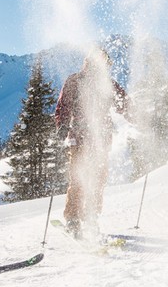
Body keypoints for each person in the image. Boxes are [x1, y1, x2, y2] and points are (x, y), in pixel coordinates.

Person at [55, 48, 128, 238]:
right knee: (79, 177)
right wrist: (62, 124)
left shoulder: (108, 84)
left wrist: (141, 119)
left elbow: (124, 104)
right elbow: (64, 105)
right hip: (79, 138)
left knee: (98, 179)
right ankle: (73, 219)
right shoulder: (75, 80)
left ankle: (91, 217)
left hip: (101, 140)